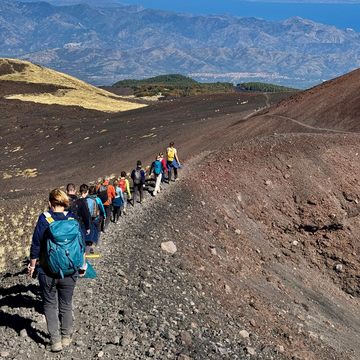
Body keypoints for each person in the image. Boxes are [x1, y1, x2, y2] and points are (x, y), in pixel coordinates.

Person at [28, 189, 86, 352]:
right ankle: (66, 337)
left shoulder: (44, 219)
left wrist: (32, 265)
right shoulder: (72, 218)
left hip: (48, 271)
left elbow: (36, 245)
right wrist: (83, 265)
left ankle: (55, 341)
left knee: (49, 305)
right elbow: (81, 245)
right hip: (69, 270)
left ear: (50, 203)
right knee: (66, 304)